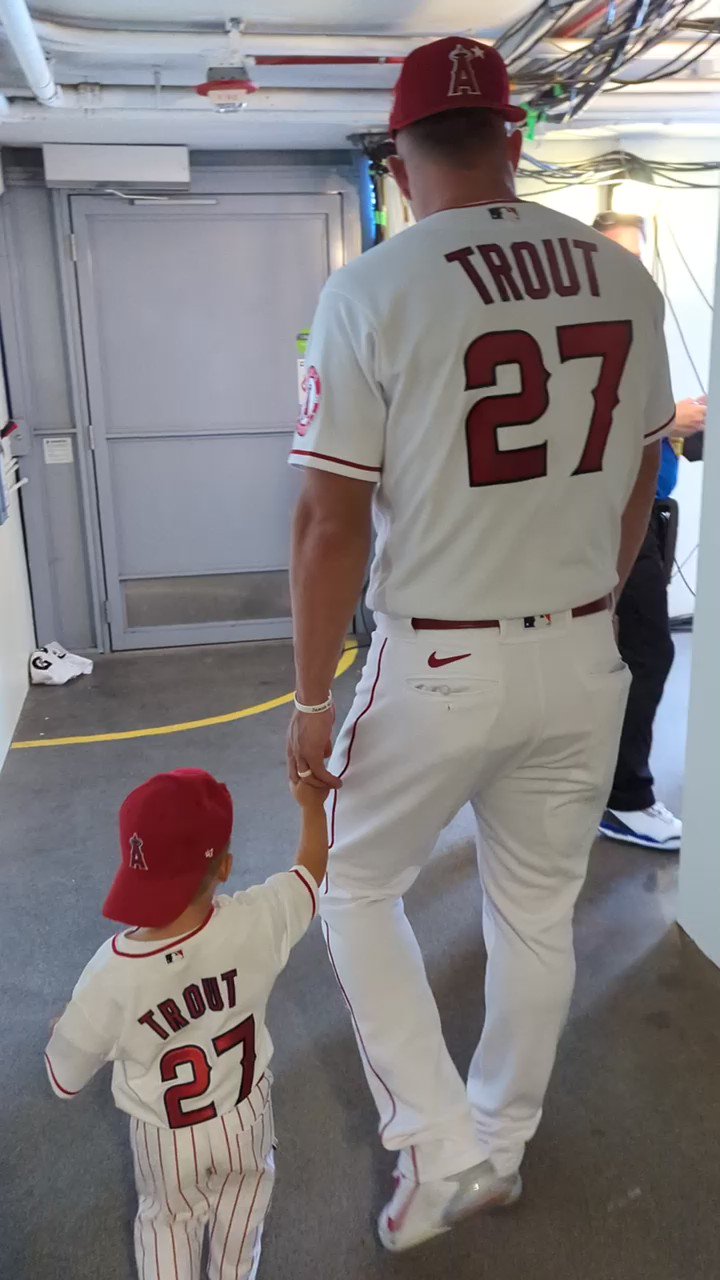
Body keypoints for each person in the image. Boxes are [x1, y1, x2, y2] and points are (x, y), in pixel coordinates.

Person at [287, 35, 674, 1254]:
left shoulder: (373, 289)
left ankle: (441, 1148)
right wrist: (589, 609)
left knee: (355, 884)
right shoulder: (623, 279)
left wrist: (308, 699)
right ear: (515, 139)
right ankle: (499, 1144)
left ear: (402, 165)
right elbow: (641, 470)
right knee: (536, 913)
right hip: (580, 650)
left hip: (438, 656)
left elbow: (328, 518)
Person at [44, 768, 328, 1280]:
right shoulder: (257, 921)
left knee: (167, 1224)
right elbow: (309, 874)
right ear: (225, 868)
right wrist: (311, 805)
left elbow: (64, 1080)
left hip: (166, 1135)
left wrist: (68, 1025)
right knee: (243, 1218)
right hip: (247, 1117)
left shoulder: (108, 975)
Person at [592, 212, 707, 851]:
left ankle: (598, 785)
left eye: (638, 256)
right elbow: (597, 425)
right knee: (645, 653)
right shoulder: (597, 328)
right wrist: (670, 419)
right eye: (618, 255)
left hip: (647, 512)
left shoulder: (635, 323)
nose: (631, 267)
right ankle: (625, 798)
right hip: (614, 517)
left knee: (636, 655)